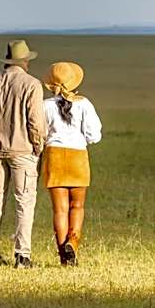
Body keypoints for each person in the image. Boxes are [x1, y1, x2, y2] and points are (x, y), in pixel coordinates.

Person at [0, 39, 45, 269]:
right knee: (24, 201)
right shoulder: (32, 84)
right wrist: (38, 146)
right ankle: (22, 256)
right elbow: (36, 122)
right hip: (23, 151)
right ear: (24, 61)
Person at [42, 62, 102, 266]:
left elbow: (40, 133)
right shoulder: (84, 104)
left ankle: (63, 257)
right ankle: (73, 244)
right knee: (77, 206)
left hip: (54, 156)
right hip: (78, 157)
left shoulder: (45, 105)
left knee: (60, 210)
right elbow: (94, 135)